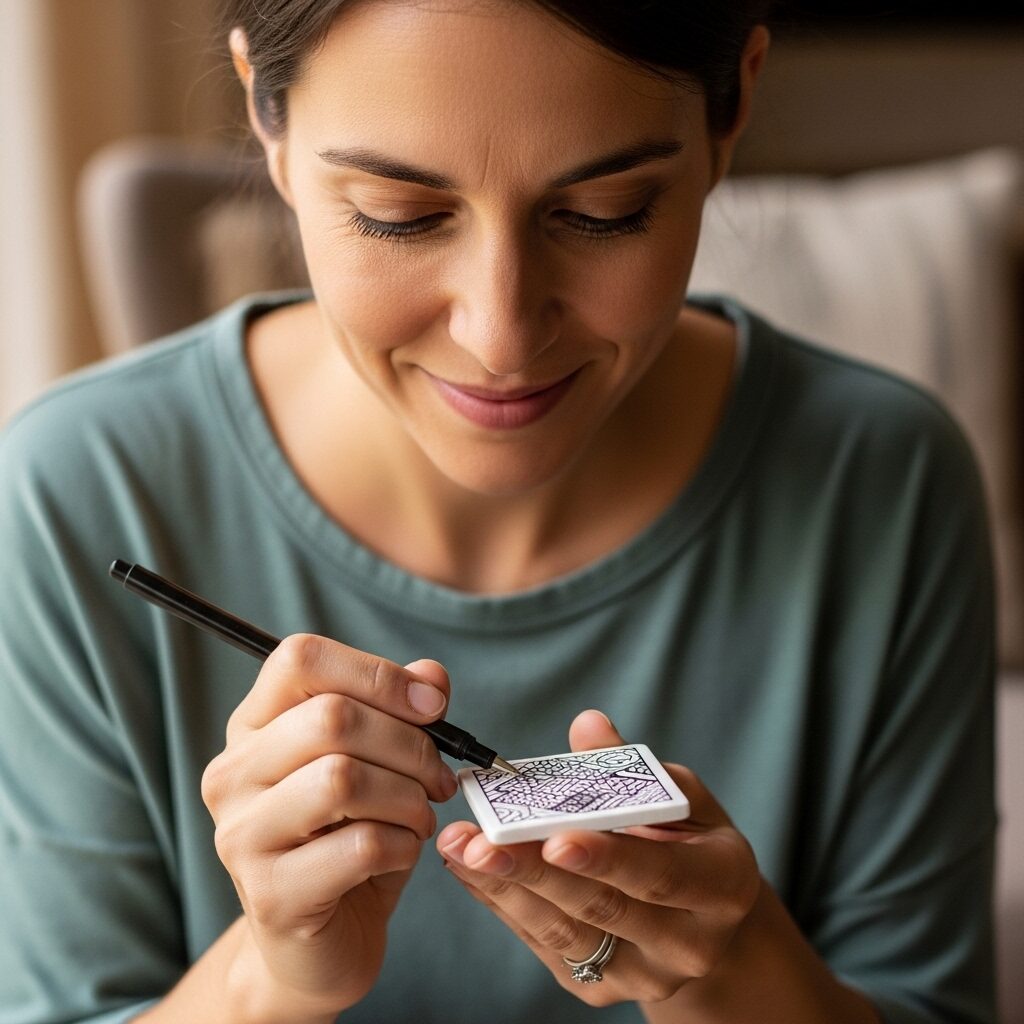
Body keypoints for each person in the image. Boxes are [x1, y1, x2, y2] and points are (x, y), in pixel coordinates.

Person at [0, 1, 997, 1022]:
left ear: (731, 105)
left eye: (604, 209)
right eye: (398, 212)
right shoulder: (81, 488)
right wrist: (272, 978)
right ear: (269, 118)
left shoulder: (883, 477)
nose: (502, 336)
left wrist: (732, 968)